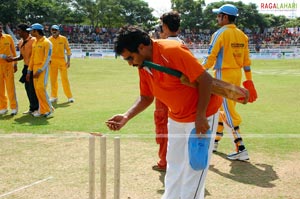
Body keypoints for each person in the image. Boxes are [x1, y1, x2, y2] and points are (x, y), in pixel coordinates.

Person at [106, 25, 222, 199]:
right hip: (175, 117)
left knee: (194, 168)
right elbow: (146, 97)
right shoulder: (143, 65)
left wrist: (200, 116)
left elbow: (206, 80)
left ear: (142, 47)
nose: (130, 63)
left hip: (201, 115)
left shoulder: (172, 51)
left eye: (130, 58)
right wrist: (126, 116)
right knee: (174, 165)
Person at [202, 4, 258, 160]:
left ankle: (241, 148)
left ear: (225, 17)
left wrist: (197, 70)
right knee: (222, 108)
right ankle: (215, 142)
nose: (217, 18)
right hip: (236, 74)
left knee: (227, 111)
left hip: (222, 75)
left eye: (219, 15)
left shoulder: (220, 34)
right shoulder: (242, 35)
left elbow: (210, 58)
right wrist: (249, 81)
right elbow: (247, 62)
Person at [152, 11, 185, 173]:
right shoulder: (183, 44)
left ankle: (164, 161)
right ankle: (177, 161)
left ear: (164, 26)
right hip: (182, 96)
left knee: (163, 126)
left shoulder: (160, 45)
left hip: (165, 95)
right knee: (179, 129)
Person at [7, 23, 39, 115]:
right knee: (28, 88)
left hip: (34, 67)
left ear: (25, 32)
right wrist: (13, 59)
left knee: (34, 88)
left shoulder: (34, 41)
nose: (17, 32)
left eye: (19, 31)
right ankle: (32, 108)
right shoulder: (20, 42)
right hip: (26, 67)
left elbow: (36, 56)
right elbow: (22, 56)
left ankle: (38, 108)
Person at [26, 23, 53, 118]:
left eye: (31, 31)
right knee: (37, 90)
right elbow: (32, 58)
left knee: (41, 88)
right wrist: (29, 71)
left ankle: (49, 110)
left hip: (43, 69)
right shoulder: (35, 42)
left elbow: (47, 58)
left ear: (36, 31)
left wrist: (40, 70)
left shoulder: (47, 42)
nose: (30, 32)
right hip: (34, 69)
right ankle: (42, 109)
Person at [48, 25, 74, 103]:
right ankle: (54, 96)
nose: (54, 31)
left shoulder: (63, 39)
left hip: (62, 61)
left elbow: (68, 49)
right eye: (52, 30)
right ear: (51, 31)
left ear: (59, 31)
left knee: (65, 79)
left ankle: (69, 97)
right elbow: (47, 52)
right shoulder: (48, 40)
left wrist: (68, 60)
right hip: (52, 62)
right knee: (53, 80)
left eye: (55, 30)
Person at [0, 22, 18, 116]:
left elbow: (14, 52)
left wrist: (15, 64)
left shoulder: (8, 37)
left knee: (10, 87)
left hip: (8, 66)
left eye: (0, 27)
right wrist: (1, 56)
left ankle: (14, 107)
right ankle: (3, 107)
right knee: (0, 89)